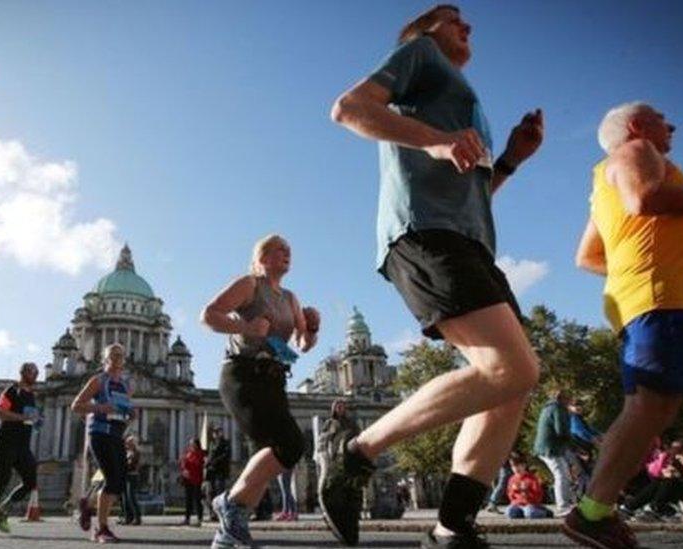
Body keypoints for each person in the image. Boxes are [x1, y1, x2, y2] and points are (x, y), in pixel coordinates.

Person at [327, 4, 544, 546]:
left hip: (469, 243)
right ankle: (355, 455)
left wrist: (511, 160)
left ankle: (451, 525)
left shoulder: (463, 99)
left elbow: (471, 194)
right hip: (423, 234)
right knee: (508, 368)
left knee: (512, 384)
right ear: (423, 31)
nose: (465, 24)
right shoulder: (420, 56)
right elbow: (348, 108)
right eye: (451, 18)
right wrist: (436, 140)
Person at [568, 101, 683, 548]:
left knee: (653, 408)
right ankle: (591, 513)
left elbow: (588, 255)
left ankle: (593, 513)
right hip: (665, 306)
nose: (673, 124)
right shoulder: (634, 151)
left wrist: (666, 262)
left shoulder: (607, 183)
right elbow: (646, 201)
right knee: (651, 409)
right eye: (663, 117)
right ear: (636, 126)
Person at [200, 234, 319, 548]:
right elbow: (209, 315)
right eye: (280, 249)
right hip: (243, 373)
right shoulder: (249, 284)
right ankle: (228, 504)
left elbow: (303, 345)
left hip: (274, 378)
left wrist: (314, 328)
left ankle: (229, 532)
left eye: (289, 251)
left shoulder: (291, 298)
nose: (287, 254)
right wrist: (246, 328)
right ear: (262, 257)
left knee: (279, 451)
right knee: (289, 443)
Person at [72, 343, 134, 543]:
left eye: (120, 355)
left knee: (119, 481)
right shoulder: (97, 381)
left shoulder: (126, 386)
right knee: (111, 479)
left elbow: (123, 412)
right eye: (112, 355)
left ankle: (88, 504)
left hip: (117, 435)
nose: (117, 359)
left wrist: (131, 413)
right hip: (99, 434)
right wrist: (101, 408)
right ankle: (101, 529)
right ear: (105, 360)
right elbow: (76, 406)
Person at [0, 362, 40, 538]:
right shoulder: (11, 391)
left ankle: (3, 509)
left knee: (30, 482)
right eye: (32, 372)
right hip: (6, 444)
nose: (35, 375)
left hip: (23, 446)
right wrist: (22, 417)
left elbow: (30, 418)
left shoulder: (31, 395)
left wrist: (36, 420)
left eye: (36, 373)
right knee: (0, 484)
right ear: (23, 373)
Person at [533, 389, 574, 514]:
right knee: (561, 475)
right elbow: (561, 430)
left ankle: (566, 503)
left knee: (564, 473)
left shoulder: (548, 407)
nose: (570, 401)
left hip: (547, 447)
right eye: (569, 399)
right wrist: (573, 443)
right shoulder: (558, 409)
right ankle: (562, 506)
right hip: (550, 449)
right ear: (563, 399)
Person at [505, 455, 552, 519]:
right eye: (513, 466)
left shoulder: (531, 479)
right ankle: (522, 514)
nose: (516, 469)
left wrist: (526, 492)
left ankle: (545, 512)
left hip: (530, 504)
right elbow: (510, 495)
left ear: (524, 466)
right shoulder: (512, 479)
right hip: (517, 504)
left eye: (518, 466)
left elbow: (538, 495)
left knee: (530, 513)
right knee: (509, 512)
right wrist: (513, 491)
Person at [204, 426, 231, 519]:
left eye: (217, 432)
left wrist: (214, 461)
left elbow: (226, 455)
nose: (215, 434)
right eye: (214, 432)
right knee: (210, 492)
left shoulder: (226, 443)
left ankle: (221, 512)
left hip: (220, 471)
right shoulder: (211, 443)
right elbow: (209, 455)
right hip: (211, 471)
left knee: (220, 492)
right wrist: (207, 462)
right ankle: (212, 513)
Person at [180, 437, 206, 526]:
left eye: (193, 443)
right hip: (188, 479)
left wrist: (189, 466)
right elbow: (183, 462)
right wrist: (184, 469)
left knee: (197, 499)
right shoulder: (188, 453)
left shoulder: (200, 454)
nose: (191, 445)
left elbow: (199, 464)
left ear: (197, 444)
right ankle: (187, 518)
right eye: (190, 443)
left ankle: (199, 518)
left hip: (196, 479)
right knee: (188, 500)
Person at [120, 435, 141, 526]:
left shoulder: (136, 452)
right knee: (125, 498)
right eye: (127, 442)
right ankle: (127, 517)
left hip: (132, 476)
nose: (127, 443)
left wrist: (125, 465)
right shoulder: (126, 452)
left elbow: (132, 464)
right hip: (125, 475)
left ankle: (137, 518)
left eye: (129, 442)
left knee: (131, 497)